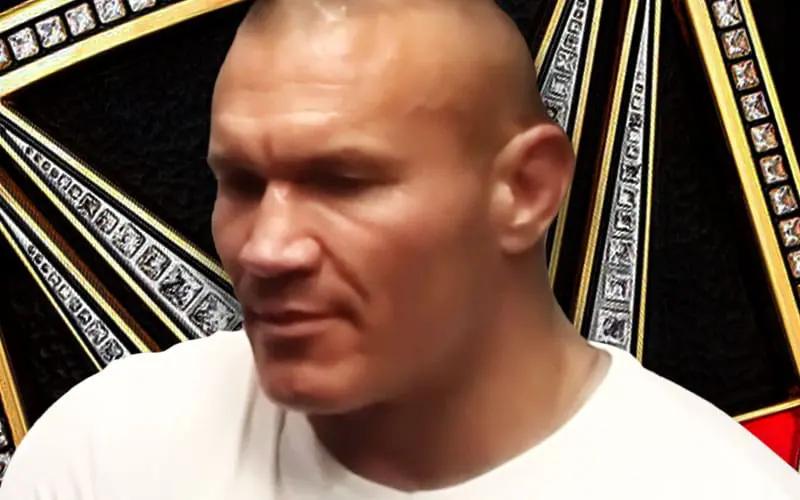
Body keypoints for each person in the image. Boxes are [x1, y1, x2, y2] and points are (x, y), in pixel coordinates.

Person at [3, 0, 799, 498]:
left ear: (526, 189)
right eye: (241, 183)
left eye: (342, 182)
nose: (267, 249)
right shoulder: (107, 458)